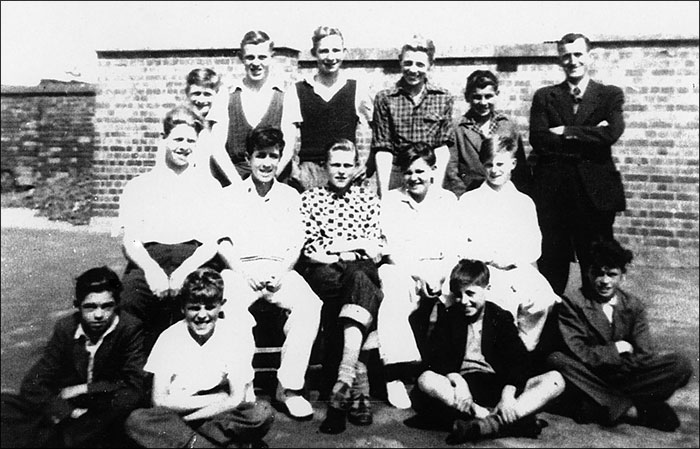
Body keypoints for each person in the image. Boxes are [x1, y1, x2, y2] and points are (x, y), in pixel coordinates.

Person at [217, 127, 321, 421]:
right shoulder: (231, 195)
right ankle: (244, 383)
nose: (266, 163)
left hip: (279, 270)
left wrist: (281, 270)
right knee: (230, 305)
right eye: (260, 156)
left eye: (272, 156)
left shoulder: (290, 195)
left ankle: (288, 389)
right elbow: (222, 242)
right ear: (248, 158)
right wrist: (242, 271)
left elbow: (296, 242)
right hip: (240, 269)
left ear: (279, 159)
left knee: (310, 305)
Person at [406, 259, 564, 444]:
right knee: (426, 379)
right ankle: (505, 421)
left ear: (487, 289)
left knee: (555, 380)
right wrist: (458, 381)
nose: (464, 301)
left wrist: (507, 396)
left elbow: (519, 360)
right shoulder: (450, 316)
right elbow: (437, 357)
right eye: (459, 295)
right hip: (463, 390)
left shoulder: (500, 317)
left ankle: (486, 425)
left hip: (495, 384)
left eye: (471, 293)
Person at [547, 239, 692, 431]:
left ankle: (605, 404)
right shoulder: (572, 303)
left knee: (679, 364)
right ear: (589, 273)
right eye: (599, 274)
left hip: (623, 376)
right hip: (589, 375)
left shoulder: (633, 306)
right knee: (556, 359)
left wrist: (619, 365)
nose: (605, 281)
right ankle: (632, 408)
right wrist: (617, 349)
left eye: (612, 274)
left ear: (622, 277)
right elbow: (579, 353)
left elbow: (644, 353)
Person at [125, 268, 274, 448]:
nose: (202, 316)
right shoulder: (169, 338)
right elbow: (159, 400)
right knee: (137, 420)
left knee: (262, 412)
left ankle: (189, 442)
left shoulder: (235, 335)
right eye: (194, 308)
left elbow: (237, 399)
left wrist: (188, 422)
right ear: (183, 308)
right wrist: (217, 398)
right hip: (178, 410)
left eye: (210, 307)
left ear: (221, 305)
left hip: (215, 415)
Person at [1, 266, 147, 448]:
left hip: (105, 409)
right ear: (77, 306)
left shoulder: (129, 328)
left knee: (118, 419)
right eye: (90, 307)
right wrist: (67, 412)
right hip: (68, 409)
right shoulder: (66, 328)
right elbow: (33, 384)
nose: (99, 315)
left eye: (107, 306)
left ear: (117, 304)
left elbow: (135, 386)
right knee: (6, 405)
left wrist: (85, 388)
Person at [116, 106, 223, 351]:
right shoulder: (139, 185)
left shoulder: (209, 186)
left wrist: (185, 270)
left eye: (190, 141)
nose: (184, 146)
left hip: (194, 260)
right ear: (163, 140)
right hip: (149, 259)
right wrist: (152, 270)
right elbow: (130, 240)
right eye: (178, 139)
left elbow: (211, 243)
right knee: (128, 300)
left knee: (200, 302)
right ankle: (137, 377)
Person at [529, 32, 626, 296]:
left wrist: (566, 131)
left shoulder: (609, 95)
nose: (572, 61)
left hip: (594, 196)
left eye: (578, 54)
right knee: (552, 266)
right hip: (554, 194)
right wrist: (590, 134)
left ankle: (594, 330)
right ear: (560, 59)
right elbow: (539, 139)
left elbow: (612, 133)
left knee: (595, 265)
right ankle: (550, 331)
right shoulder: (545, 97)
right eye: (566, 56)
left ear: (589, 57)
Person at [298, 139, 384, 434]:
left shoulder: (368, 199)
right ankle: (357, 387)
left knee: (359, 278)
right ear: (325, 166)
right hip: (325, 271)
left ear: (357, 167)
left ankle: (341, 384)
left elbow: (376, 248)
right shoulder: (311, 199)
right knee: (361, 288)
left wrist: (339, 248)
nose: (342, 170)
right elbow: (310, 248)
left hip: (357, 268)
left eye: (348, 165)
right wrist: (352, 247)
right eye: (336, 164)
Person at [456, 135, 560, 359]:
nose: (494, 170)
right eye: (489, 165)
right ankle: (492, 358)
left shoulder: (523, 202)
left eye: (500, 164)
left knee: (542, 297)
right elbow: (461, 243)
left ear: (513, 164)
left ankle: (523, 351)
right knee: (500, 301)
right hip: (483, 269)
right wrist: (490, 257)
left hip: (517, 267)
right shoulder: (470, 201)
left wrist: (512, 259)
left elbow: (533, 245)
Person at [376, 142, 459, 409]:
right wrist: (418, 274)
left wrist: (440, 276)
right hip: (404, 268)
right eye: (408, 172)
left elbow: (454, 247)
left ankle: (456, 371)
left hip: (441, 269)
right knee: (394, 293)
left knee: (461, 294)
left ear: (433, 171)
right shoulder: (390, 199)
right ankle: (395, 375)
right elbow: (391, 248)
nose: (414, 178)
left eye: (420, 171)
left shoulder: (447, 200)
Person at [284, 26, 374, 192]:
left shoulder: (356, 88)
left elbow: (378, 128)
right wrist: (295, 170)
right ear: (314, 53)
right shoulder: (298, 89)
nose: (331, 57)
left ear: (344, 52)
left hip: (344, 172)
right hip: (309, 173)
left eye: (336, 50)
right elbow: (286, 136)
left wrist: (367, 164)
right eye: (324, 51)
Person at [207, 30, 300, 185]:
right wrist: (239, 187)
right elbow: (217, 149)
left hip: (274, 180)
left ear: (271, 57)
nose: (256, 63)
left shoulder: (286, 94)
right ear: (241, 58)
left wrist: (267, 183)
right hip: (234, 180)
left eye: (262, 57)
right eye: (250, 57)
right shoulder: (226, 93)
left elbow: (289, 148)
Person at [371, 34, 454, 197]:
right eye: (408, 63)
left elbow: (442, 148)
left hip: (428, 174)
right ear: (400, 61)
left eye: (420, 64)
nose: (413, 70)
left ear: (431, 65)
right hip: (398, 173)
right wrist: (385, 193)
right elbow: (383, 149)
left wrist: (435, 189)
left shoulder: (443, 98)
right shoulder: (385, 98)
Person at [446, 69, 530, 197]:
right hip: (470, 195)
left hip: (504, 194)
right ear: (467, 97)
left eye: (488, 96)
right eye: (477, 97)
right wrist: (463, 197)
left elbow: (520, 169)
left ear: (497, 94)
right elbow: (451, 171)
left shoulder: (508, 126)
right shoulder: (457, 128)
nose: (483, 102)